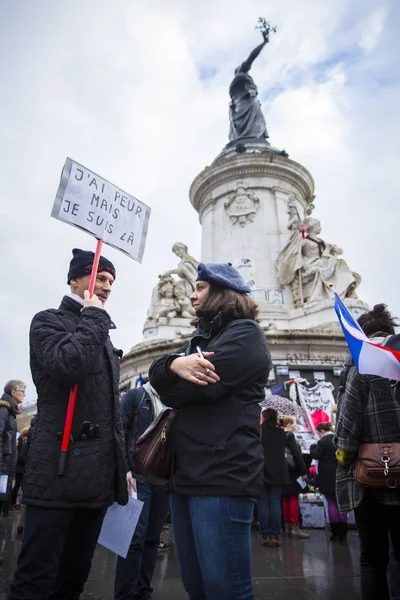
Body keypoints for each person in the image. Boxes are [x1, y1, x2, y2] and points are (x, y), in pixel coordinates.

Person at [8, 248, 130, 600]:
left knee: (73, 579)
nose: (106, 286)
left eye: (110, 281)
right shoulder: (47, 321)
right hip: (56, 474)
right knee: (36, 578)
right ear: (74, 280)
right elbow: (67, 365)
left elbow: (109, 411)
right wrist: (93, 317)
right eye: (100, 279)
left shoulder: (102, 336)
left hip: (94, 480)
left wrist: (120, 464)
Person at [149, 262, 271, 600]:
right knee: (196, 586)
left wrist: (172, 375)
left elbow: (194, 388)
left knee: (225, 587)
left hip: (222, 475)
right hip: (186, 475)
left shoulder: (246, 335)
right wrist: (174, 365)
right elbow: (159, 378)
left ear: (223, 293)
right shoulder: (200, 339)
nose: (191, 294)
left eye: (200, 287)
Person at [335, 303, 400, 600]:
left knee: (373, 559)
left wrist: (344, 458)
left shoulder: (362, 361)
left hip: (370, 477)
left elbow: (349, 422)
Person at [114, 381, 169, 600]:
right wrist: (124, 468)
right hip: (137, 476)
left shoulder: (175, 401)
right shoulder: (136, 396)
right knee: (134, 537)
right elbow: (119, 431)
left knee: (153, 537)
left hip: (163, 479)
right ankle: (125, 593)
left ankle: (143, 590)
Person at [258, 408, 290, 548]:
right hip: (278, 470)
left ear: (264, 417)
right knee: (275, 503)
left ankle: (266, 535)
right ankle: (275, 536)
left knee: (263, 503)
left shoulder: (259, 431)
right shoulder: (281, 432)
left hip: (262, 470)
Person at [310, 422, 347, 541]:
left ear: (321, 431)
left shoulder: (323, 440)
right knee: (341, 504)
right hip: (341, 474)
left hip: (327, 476)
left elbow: (316, 455)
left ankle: (335, 531)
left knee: (331, 503)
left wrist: (312, 447)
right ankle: (343, 531)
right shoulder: (338, 438)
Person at [0, 380, 25, 516]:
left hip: (7, 462)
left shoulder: (10, 412)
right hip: (3, 462)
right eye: (22, 391)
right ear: (13, 392)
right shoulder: (4, 409)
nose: (24, 394)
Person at [282, 416, 309, 538]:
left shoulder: (278, 436)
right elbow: (297, 455)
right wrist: (303, 470)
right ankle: (294, 526)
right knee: (293, 498)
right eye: (293, 423)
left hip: (283, 471)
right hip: (293, 472)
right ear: (288, 424)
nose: (294, 426)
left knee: (285, 498)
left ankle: (287, 525)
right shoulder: (290, 436)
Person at [11, 426, 30, 510]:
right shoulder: (25, 441)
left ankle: (14, 503)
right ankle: (14, 503)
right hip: (20, 468)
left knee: (17, 486)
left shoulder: (21, 439)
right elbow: (22, 455)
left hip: (18, 467)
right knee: (18, 486)